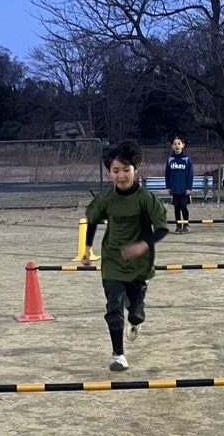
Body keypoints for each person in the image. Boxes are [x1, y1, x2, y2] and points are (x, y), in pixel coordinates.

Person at [82, 141, 170, 371]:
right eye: (115, 171)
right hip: (112, 260)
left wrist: (143, 245)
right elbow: (92, 219)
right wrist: (88, 247)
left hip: (139, 264)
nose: (121, 176)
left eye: (126, 170)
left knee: (136, 311)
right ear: (110, 172)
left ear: (135, 169)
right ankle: (118, 355)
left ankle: (136, 317)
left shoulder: (145, 199)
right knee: (113, 306)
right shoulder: (106, 199)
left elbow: (162, 228)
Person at [165, 136, 195, 232]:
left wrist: (189, 188)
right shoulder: (170, 159)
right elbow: (167, 174)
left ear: (183, 145)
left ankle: (186, 224)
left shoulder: (186, 159)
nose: (177, 146)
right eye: (175, 144)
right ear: (172, 146)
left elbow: (190, 174)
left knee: (183, 206)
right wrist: (168, 186)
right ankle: (178, 225)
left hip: (184, 188)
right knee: (176, 207)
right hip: (175, 188)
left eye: (179, 144)